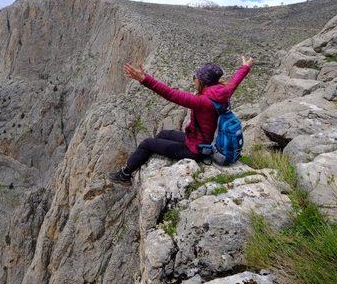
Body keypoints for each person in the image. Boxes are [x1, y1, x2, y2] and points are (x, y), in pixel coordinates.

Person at [108, 56, 253, 186]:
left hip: (196, 149)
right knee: (164, 133)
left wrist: (145, 79)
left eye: (196, 77)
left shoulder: (202, 102)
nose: (194, 79)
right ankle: (153, 155)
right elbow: (236, 80)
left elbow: (170, 94)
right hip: (200, 141)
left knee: (146, 144)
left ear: (203, 82)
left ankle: (125, 174)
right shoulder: (224, 91)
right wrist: (245, 67)